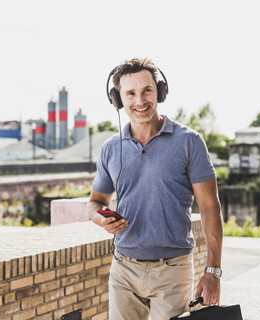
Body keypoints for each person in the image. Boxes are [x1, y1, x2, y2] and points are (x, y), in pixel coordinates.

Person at [87, 57, 223, 320]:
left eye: (147, 90)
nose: (140, 100)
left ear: (160, 91)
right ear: (118, 99)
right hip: (123, 269)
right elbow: (96, 201)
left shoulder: (190, 142)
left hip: (172, 271)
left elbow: (209, 207)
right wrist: (100, 219)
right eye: (130, 93)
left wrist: (213, 271)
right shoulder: (110, 148)